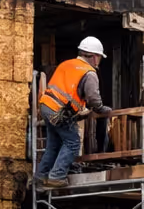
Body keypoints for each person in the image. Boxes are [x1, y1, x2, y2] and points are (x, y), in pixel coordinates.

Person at [36, 37, 111, 187]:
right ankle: (56, 176)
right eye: (100, 58)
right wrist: (103, 110)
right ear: (95, 57)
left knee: (54, 144)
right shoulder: (89, 72)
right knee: (73, 143)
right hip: (58, 111)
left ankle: (41, 177)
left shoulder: (67, 64)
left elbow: (66, 91)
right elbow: (93, 98)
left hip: (46, 106)